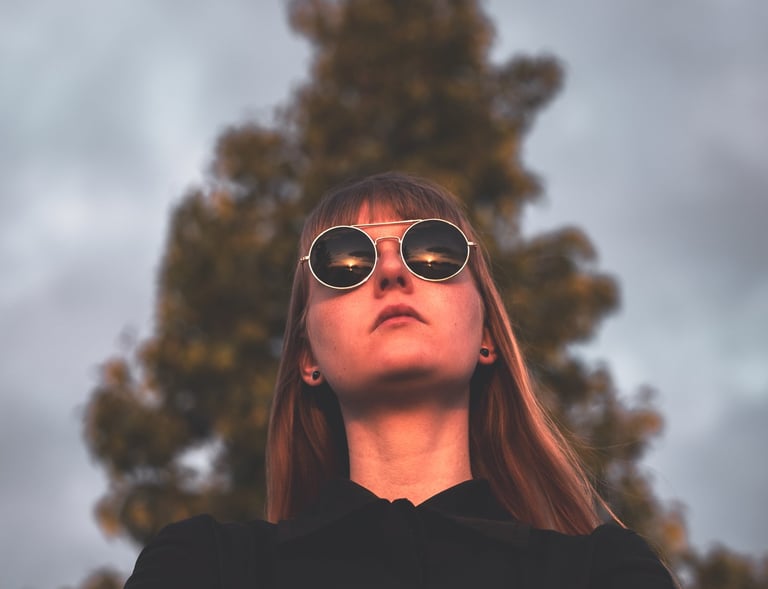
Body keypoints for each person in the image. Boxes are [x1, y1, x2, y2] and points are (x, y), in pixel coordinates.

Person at [125, 172, 677, 588]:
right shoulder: (206, 567)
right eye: (342, 261)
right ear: (306, 355)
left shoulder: (606, 574)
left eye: (434, 251)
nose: (391, 272)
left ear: (487, 334)